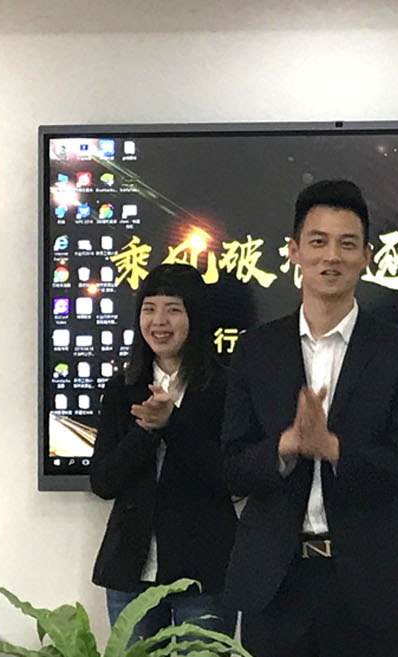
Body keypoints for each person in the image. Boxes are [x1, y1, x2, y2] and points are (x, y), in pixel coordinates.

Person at [220, 180, 398, 657]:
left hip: (375, 583)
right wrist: (286, 446)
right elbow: (231, 467)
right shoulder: (255, 350)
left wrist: (332, 449)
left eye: (347, 244)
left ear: (366, 256)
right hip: (275, 584)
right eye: (317, 242)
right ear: (294, 251)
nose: (331, 257)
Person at [89, 263, 236, 640]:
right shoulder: (122, 388)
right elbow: (103, 481)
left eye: (173, 309)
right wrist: (146, 430)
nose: (159, 321)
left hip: (203, 573)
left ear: (194, 317)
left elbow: (231, 477)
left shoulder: (225, 386)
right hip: (130, 573)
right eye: (149, 309)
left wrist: (172, 423)